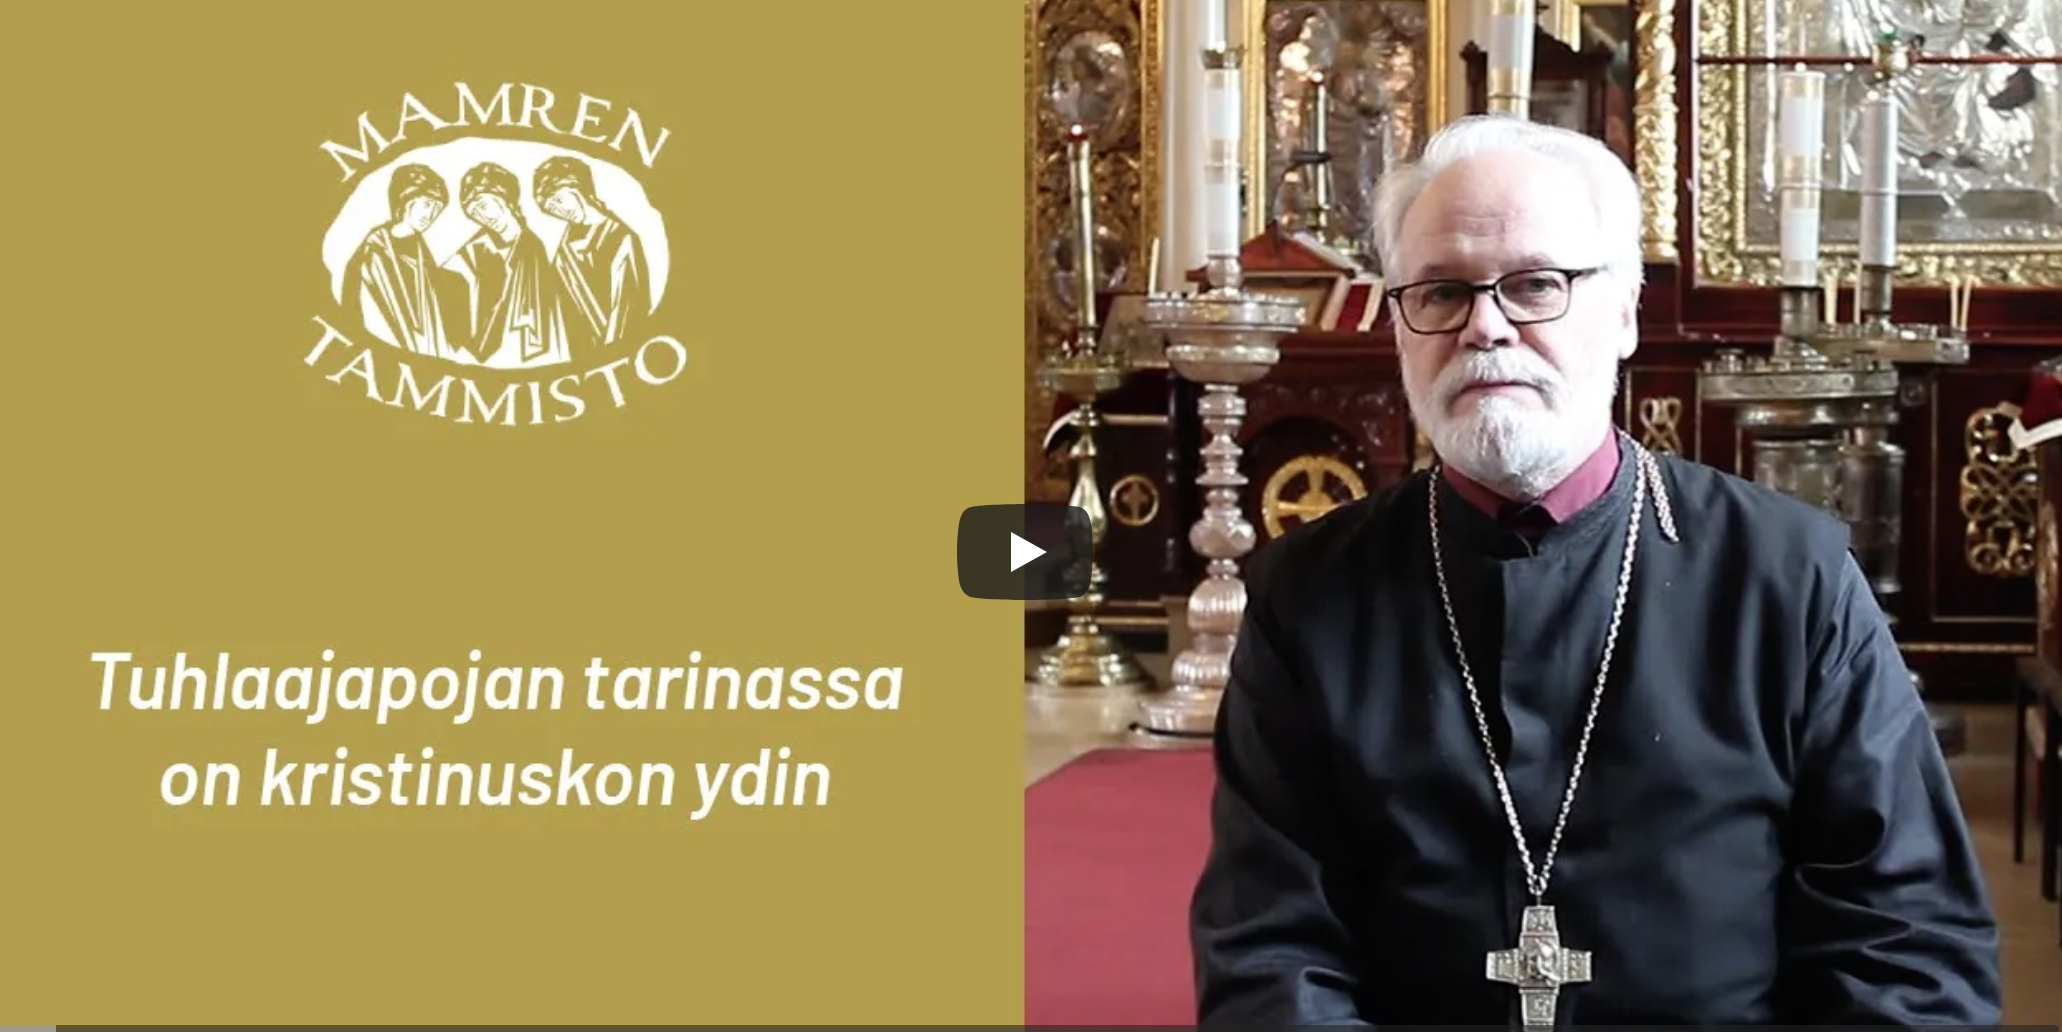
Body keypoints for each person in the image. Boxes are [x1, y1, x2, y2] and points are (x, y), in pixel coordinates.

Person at [1187, 115, 2003, 1027]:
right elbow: (1271, 951)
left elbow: (1908, 948)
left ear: (1623, 314)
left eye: (1536, 284)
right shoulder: (1307, 594)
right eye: (1442, 291)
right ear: (1400, 328)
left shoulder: (1789, 579)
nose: (1485, 327)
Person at [436, 161, 591, 367]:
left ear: (504, 199)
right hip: (485, 357)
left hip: (532, 352)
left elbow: (550, 310)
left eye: (483, 206)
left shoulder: (534, 247)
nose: (482, 217)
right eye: (473, 213)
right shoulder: (474, 252)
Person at [534, 155, 650, 346]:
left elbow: (626, 305)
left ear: (577, 188)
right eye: (551, 208)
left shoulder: (619, 236)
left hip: (618, 346)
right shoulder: (563, 253)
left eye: (559, 200)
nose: (560, 211)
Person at [342, 164, 452, 358]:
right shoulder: (374, 249)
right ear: (406, 200)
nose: (431, 215)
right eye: (427, 204)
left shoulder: (422, 252)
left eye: (437, 209)